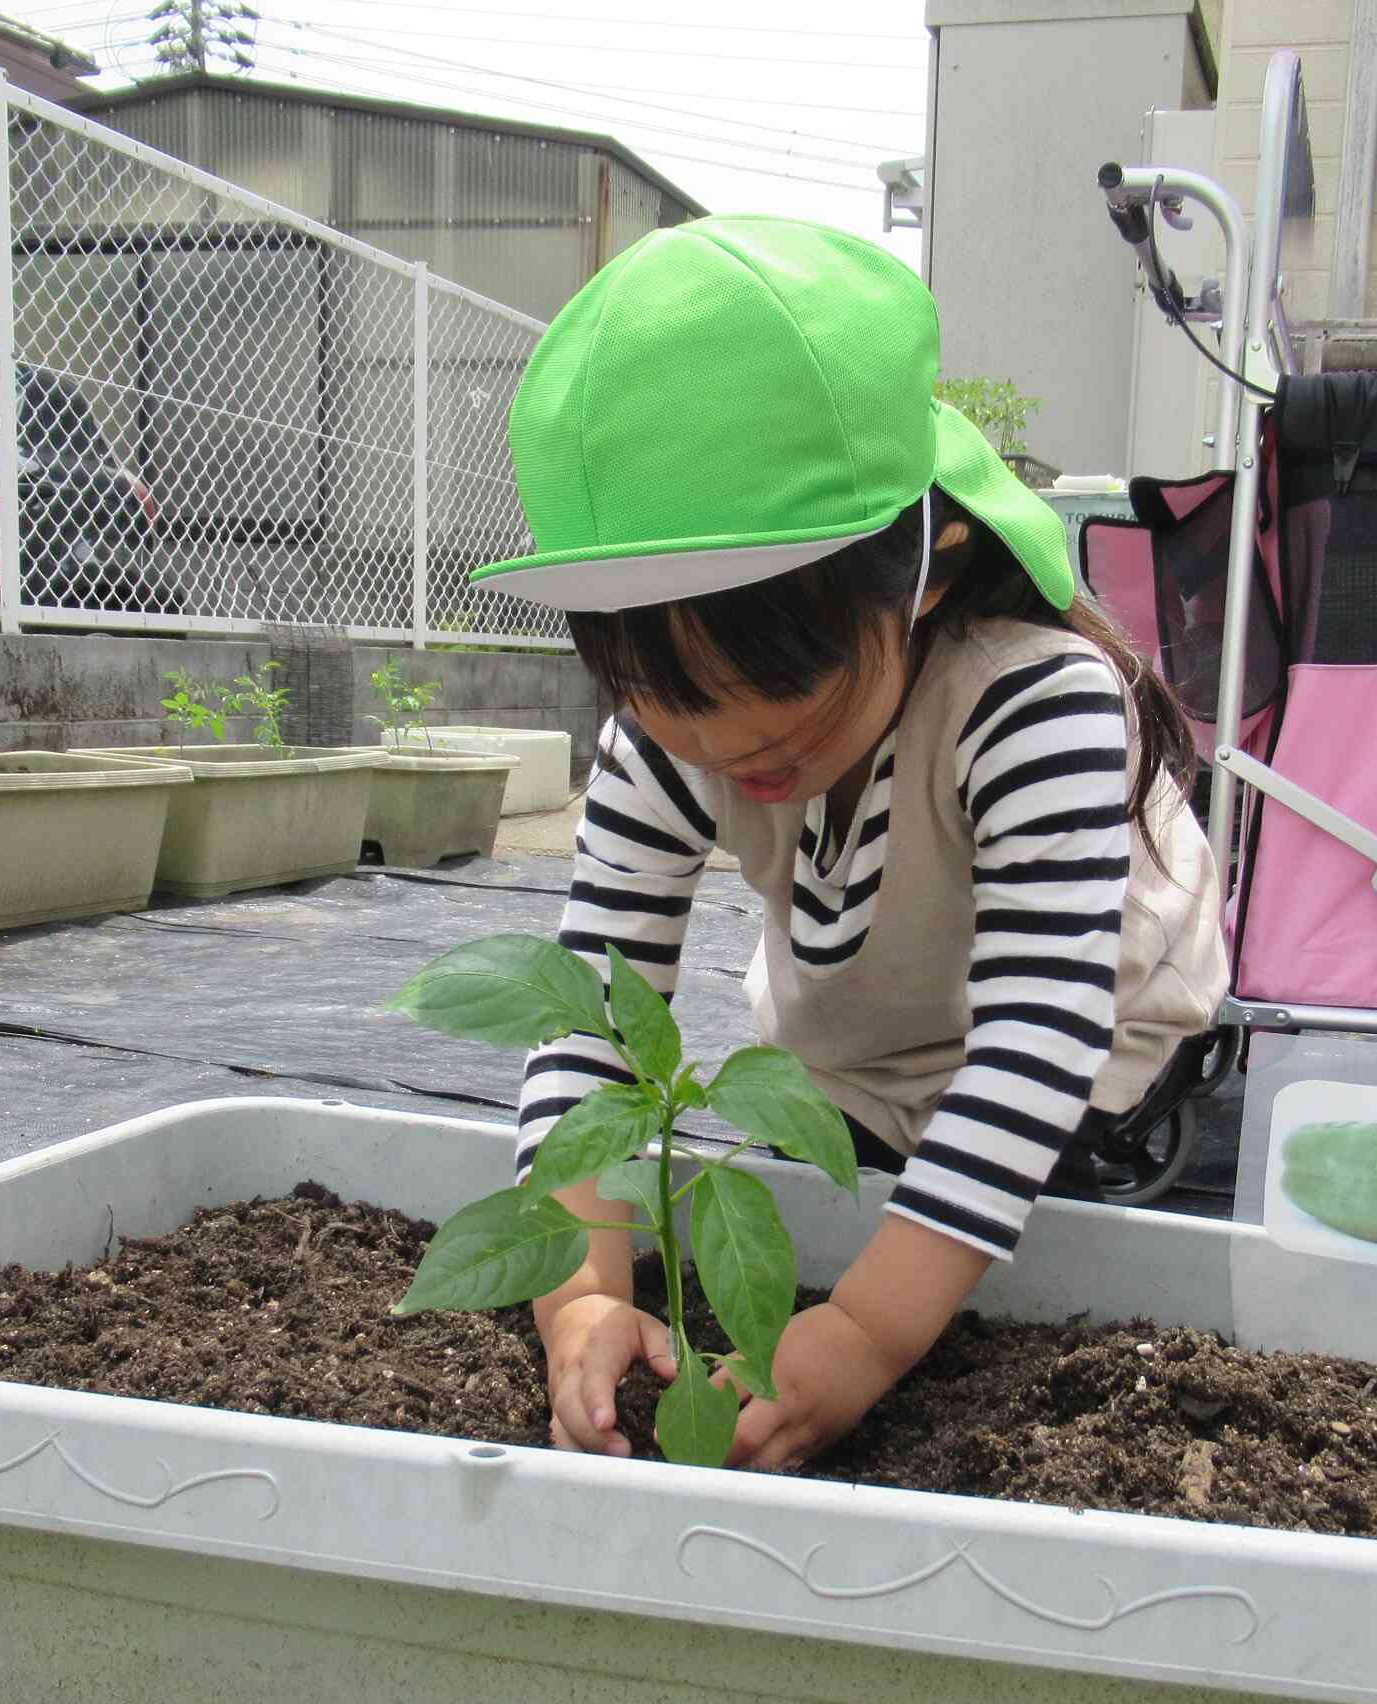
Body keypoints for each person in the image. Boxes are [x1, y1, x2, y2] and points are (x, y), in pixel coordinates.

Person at [469, 215, 1229, 1470]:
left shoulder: (1031, 702)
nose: (732, 764)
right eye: (688, 729)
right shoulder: (676, 727)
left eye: (791, 734)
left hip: (1092, 1056)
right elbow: (592, 1014)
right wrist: (583, 1292)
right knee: (813, 1199)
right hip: (861, 1049)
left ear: (922, 572)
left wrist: (869, 1332)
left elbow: (1040, 1036)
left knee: (1040, 1257)